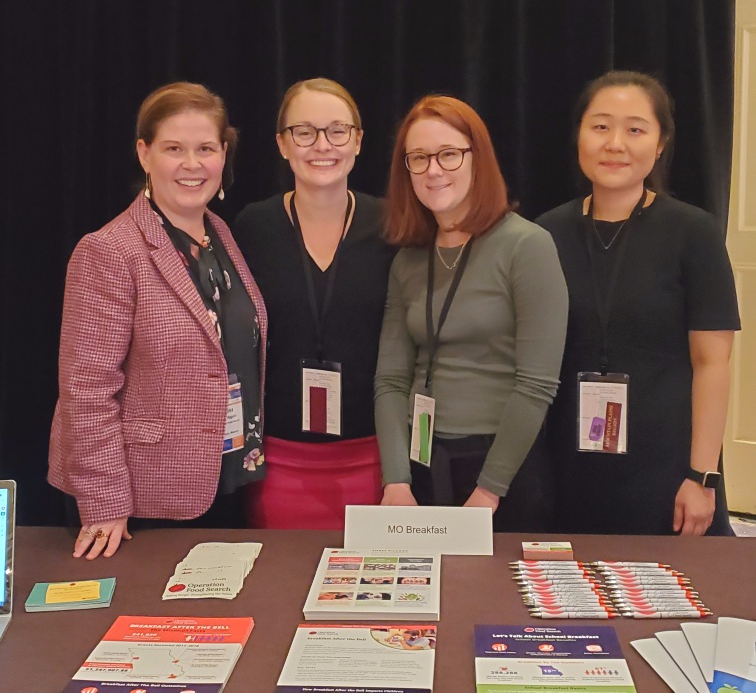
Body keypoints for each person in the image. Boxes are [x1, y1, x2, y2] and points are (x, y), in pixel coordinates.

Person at [48, 82, 267, 559]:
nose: (192, 164)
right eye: (174, 149)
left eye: (205, 148)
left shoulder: (220, 233)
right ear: (144, 154)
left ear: (223, 154)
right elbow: (86, 389)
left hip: (221, 477)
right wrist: (105, 500)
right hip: (137, 501)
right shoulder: (109, 251)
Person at [536, 70, 740, 536]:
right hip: (569, 468)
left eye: (635, 129)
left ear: (660, 142)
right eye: (601, 126)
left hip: (667, 470)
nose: (615, 144)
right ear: (580, 135)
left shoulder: (693, 232)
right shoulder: (545, 233)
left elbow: (713, 363)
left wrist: (702, 475)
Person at [374, 95, 568, 531]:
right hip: (420, 463)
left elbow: (536, 384)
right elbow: (389, 379)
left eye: (448, 154)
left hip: (501, 472)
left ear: (477, 158)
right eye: (418, 158)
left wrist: (488, 492)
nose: (433, 170)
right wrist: (397, 482)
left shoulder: (527, 246)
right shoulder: (408, 259)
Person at [234, 78, 395, 529]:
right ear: (283, 144)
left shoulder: (394, 224)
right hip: (277, 462)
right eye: (304, 132)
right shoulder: (252, 227)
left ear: (358, 141)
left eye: (337, 131)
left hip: (377, 463)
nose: (321, 145)